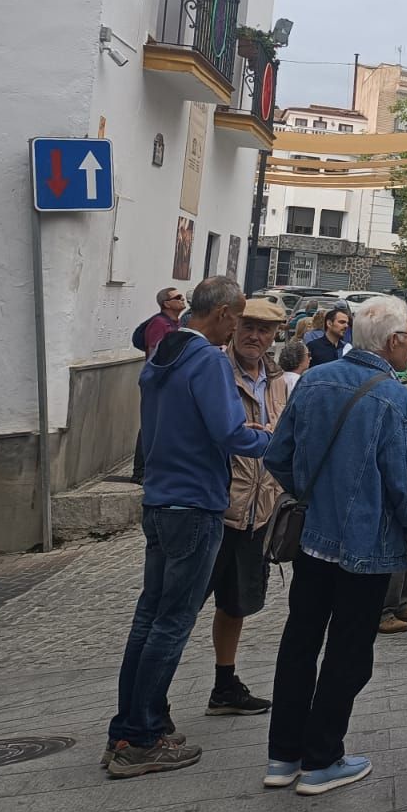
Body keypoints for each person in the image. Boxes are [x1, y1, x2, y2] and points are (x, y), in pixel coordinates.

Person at [262, 296, 407, 797]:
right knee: (348, 651)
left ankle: (283, 756)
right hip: (368, 547)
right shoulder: (396, 398)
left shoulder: (314, 380)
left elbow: (278, 456)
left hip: (313, 542)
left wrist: (313, 495)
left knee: (300, 642)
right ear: (390, 342)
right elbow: (406, 485)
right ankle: (322, 759)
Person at [103, 277, 270, 780]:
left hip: (158, 499)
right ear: (222, 315)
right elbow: (228, 431)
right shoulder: (207, 361)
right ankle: (144, 738)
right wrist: (271, 440)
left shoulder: (161, 354)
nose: (239, 328)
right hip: (195, 503)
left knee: (149, 617)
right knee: (172, 622)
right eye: (237, 318)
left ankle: (127, 729)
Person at [204, 298, 289, 717]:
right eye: (249, 327)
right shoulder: (216, 371)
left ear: (276, 336)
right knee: (180, 610)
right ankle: (154, 698)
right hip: (217, 508)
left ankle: (224, 685)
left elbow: (284, 433)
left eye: (265, 330)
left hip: (259, 512)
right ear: (234, 326)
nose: (256, 336)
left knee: (235, 605)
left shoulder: (277, 381)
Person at [131, 287, 187, 483]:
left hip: (168, 381)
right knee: (150, 423)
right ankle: (140, 471)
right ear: (166, 303)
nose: (182, 300)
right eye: (177, 297)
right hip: (157, 381)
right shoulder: (159, 323)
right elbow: (156, 355)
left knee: (161, 424)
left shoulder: (176, 323)